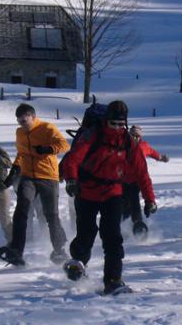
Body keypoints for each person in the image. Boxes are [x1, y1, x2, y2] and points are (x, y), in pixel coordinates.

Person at [61, 101, 157, 295]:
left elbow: (142, 174)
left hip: (113, 192)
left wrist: (149, 199)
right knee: (86, 232)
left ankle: (113, 280)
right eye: (113, 124)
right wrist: (71, 180)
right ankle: (77, 261)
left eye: (121, 125)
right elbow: (73, 159)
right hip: (86, 190)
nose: (117, 128)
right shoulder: (92, 136)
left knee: (113, 237)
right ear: (106, 121)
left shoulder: (129, 142)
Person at [0, 103, 70, 266]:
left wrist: (46, 149)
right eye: (19, 121)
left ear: (33, 117)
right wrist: (14, 170)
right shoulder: (20, 132)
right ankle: (16, 250)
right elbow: (22, 153)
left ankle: (59, 250)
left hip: (48, 177)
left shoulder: (47, 128)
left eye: (25, 121)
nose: (22, 124)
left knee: (51, 215)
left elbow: (64, 146)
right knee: (21, 211)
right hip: (28, 176)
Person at [123, 125, 168, 237]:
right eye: (133, 135)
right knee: (123, 204)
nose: (135, 138)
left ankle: (138, 224)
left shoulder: (144, 146)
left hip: (135, 180)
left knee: (134, 200)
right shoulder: (123, 146)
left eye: (137, 136)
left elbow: (153, 153)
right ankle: (125, 227)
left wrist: (161, 157)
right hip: (122, 181)